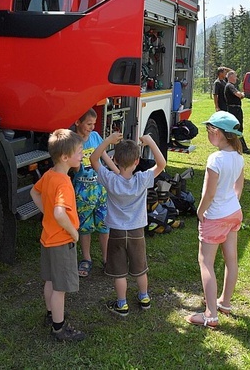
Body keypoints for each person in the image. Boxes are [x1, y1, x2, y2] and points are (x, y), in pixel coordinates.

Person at [90, 133, 166, 317]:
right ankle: (144, 297)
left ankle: (122, 304)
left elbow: (93, 159)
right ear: (137, 161)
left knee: (120, 273)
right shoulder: (142, 180)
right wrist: (150, 141)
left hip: (115, 232)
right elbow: (161, 164)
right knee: (140, 268)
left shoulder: (110, 179)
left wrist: (107, 141)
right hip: (136, 232)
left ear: (114, 160)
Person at [185, 111, 245, 329]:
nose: (208, 134)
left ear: (218, 132)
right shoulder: (238, 156)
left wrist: (200, 213)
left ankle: (210, 315)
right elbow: (239, 186)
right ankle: (225, 303)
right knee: (231, 259)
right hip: (233, 213)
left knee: (206, 262)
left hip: (216, 215)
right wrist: (232, 201)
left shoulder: (215, 159)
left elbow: (208, 194)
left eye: (209, 131)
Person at [30, 129, 86, 341]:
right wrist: (74, 232)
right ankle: (59, 328)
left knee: (50, 282)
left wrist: (46, 211)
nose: (82, 155)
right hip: (62, 241)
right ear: (65, 157)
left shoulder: (49, 175)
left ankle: (51, 315)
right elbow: (60, 212)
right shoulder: (63, 182)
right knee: (60, 288)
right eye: (79, 151)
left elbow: (33, 192)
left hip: (47, 239)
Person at [72, 109, 119, 278]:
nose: (92, 127)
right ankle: (86, 258)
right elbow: (76, 168)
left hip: (100, 190)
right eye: (88, 124)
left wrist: (118, 174)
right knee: (85, 227)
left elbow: (105, 158)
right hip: (82, 192)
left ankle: (107, 259)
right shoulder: (72, 141)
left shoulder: (95, 137)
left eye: (94, 124)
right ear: (78, 122)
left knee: (104, 224)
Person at [223, 70, 250, 153]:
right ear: (230, 77)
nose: (236, 78)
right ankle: (243, 147)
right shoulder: (230, 86)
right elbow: (238, 94)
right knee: (237, 127)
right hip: (234, 109)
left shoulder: (230, 86)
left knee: (235, 128)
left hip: (235, 109)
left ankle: (235, 146)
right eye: (235, 76)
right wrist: (242, 94)